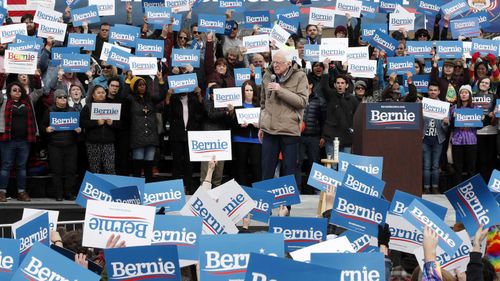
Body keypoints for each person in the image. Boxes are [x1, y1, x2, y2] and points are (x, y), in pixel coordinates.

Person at [258, 50, 308, 180]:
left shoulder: (300, 76)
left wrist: (281, 91)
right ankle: (266, 199)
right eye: (273, 62)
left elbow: (302, 102)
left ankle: (287, 200)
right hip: (269, 130)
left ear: (288, 64)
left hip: (289, 131)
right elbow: (263, 103)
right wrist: (261, 126)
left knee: (289, 171)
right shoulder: (267, 75)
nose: (275, 65)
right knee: (267, 171)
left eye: (278, 63)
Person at [0, 82, 38, 202]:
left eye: (19, 90)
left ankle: (21, 192)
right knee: (6, 166)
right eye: (14, 90)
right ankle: (2, 192)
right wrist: (3, 76)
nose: (17, 92)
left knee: (21, 167)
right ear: (9, 92)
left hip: (24, 141)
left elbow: (39, 90)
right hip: (8, 141)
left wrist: (37, 77)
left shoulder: (27, 102)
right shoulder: (4, 102)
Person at [126, 73, 167, 183]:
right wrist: (128, 80)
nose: (142, 87)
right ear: (134, 87)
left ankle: (148, 187)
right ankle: (136, 188)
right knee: (138, 164)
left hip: (151, 135)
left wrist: (161, 80)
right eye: (139, 85)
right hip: (137, 135)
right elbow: (123, 95)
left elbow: (162, 95)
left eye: (144, 85)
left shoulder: (150, 99)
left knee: (149, 164)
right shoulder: (130, 99)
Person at [42, 90, 81, 201]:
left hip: (71, 145)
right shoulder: (49, 111)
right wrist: (46, 129)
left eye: (65, 97)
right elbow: (42, 126)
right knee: (56, 171)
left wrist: (79, 130)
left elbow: (79, 127)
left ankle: (69, 193)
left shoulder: (72, 110)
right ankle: (58, 194)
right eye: (60, 97)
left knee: (71, 171)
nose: (63, 99)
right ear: (56, 99)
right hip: (55, 146)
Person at [80, 85, 119, 175]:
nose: (101, 94)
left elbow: (120, 125)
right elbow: (82, 123)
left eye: (103, 92)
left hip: (108, 142)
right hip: (93, 143)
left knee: (110, 169)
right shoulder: (87, 107)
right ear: (93, 95)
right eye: (98, 93)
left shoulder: (112, 107)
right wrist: (96, 123)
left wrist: (112, 123)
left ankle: (110, 188)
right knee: (95, 169)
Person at [320, 67, 359, 156]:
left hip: (347, 138)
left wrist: (352, 130)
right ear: (334, 85)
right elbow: (324, 86)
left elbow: (357, 117)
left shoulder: (353, 100)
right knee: (332, 166)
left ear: (347, 85)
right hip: (331, 138)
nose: (340, 85)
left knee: (344, 167)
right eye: (338, 83)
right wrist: (326, 68)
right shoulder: (331, 96)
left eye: (342, 83)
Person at [232, 80, 262, 186]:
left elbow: (266, 122)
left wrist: (259, 125)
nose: (249, 92)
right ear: (242, 92)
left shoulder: (259, 105)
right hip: (240, 138)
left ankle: (257, 190)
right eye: (246, 90)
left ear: (254, 91)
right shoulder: (237, 106)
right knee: (241, 165)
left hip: (256, 140)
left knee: (256, 165)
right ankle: (242, 189)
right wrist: (239, 125)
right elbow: (231, 124)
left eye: (251, 90)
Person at [423, 83, 449, 194]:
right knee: (426, 165)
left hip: (438, 139)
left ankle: (435, 187)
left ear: (439, 92)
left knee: (435, 165)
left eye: (435, 90)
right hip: (425, 138)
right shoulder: (422, 104)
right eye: (431, 90)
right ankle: (426, 187)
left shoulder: (443, 106)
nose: (433, 92)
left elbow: (446, 129)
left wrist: (446, 123)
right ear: (428, 91)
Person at [449, 85, 479, 185]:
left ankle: (472, 189)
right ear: (459, 95)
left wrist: (480, 120)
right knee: (458, 167)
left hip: (471, 140)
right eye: (462, 93)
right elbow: (451, 126)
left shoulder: (475, 108)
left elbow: (479, 126)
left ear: (469, 95)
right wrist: (451, 119)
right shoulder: (453, 108)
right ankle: (458, 189)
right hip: (457, 141)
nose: (464, 94)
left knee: (471, 167)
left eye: (466, 93)